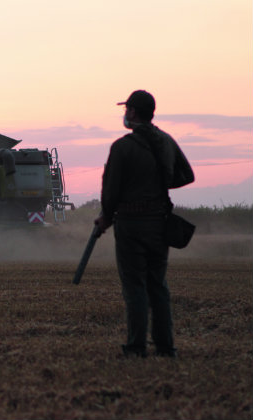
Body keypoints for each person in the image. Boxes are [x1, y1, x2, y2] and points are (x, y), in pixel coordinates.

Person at [94, 90, 194, 358]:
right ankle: (165, 347)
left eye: (127, 109)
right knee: (157, 285)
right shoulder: (166, 141)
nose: (124, 114)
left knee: (135, 286)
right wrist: (159, 182)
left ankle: (136, 348)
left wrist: (105, 217)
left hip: (130, 224)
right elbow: (187, 175)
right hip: (160, 224)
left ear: (134, 113)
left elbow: (111, 191)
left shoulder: (123, 147)